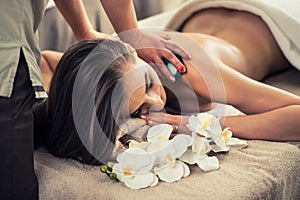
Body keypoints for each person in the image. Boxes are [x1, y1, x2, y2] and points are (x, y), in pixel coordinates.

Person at [0, 0, 188, 199]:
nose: (157, 104)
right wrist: (131, 34)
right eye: (135, 111)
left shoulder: (170, 70)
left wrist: (84, 31)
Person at [35, 29, 300, 167]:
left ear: (132, 50)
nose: (157, 103)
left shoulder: (190, 71)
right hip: (192, 20)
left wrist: (206, 124)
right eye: (138, 110)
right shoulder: (103, 72)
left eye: (149, 83)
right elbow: (47, 60)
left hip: (269, 28)